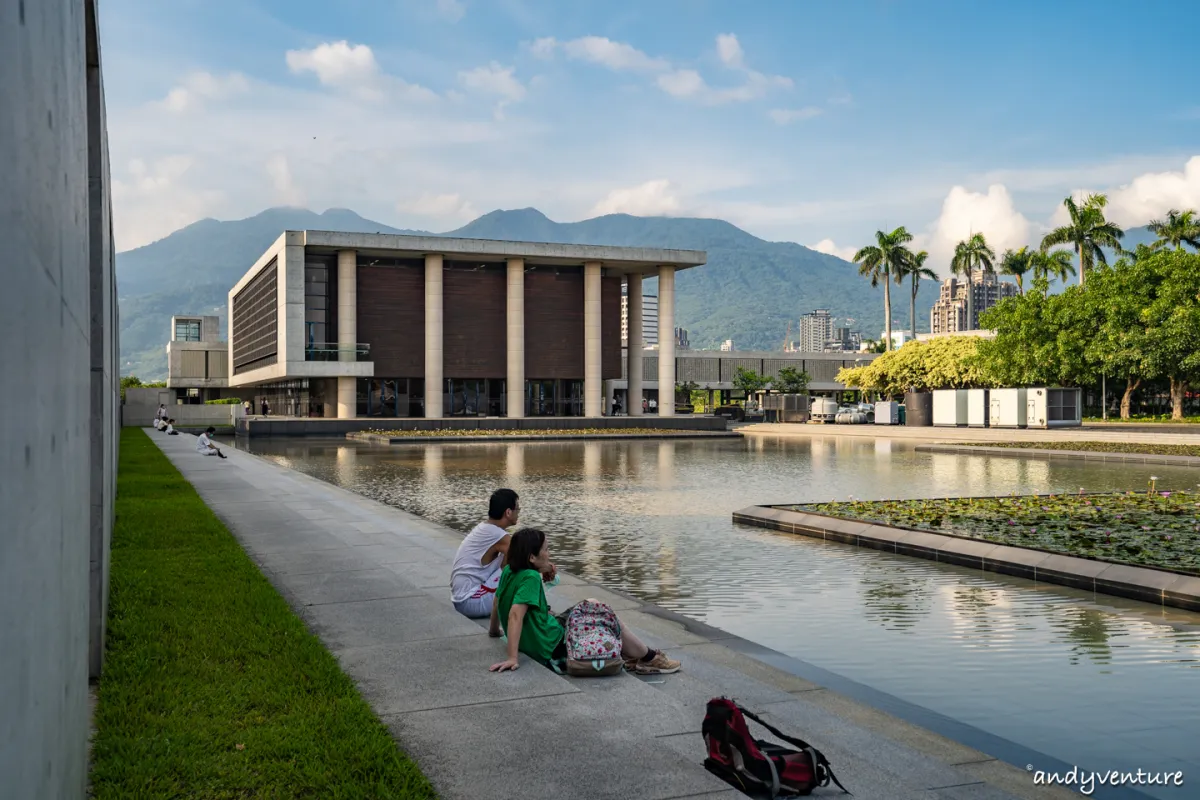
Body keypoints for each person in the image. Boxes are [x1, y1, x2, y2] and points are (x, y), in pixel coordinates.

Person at [489, 528, 680, 675]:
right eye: (546, 549)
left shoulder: (509, 571)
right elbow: (515, 613)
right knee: (602, 613)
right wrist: (512, 658)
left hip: (540, 636)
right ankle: (648, 657)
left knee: (592, 604)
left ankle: (637, 655)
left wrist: (494, 630)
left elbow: (498, 601)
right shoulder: (530, 576)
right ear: (531, 557)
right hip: (552, 645)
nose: (549, 553)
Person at [451, 489, 557, 624]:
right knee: (526, 574)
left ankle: (533, 608)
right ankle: (538, 611)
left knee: (516, 562)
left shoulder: (486, 528)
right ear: (508, 512)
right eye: (517, 509)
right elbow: (528, 561)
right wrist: (547, 567)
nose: (519, 513)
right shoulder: (498, 536)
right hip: (470, 601)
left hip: (463, 599)